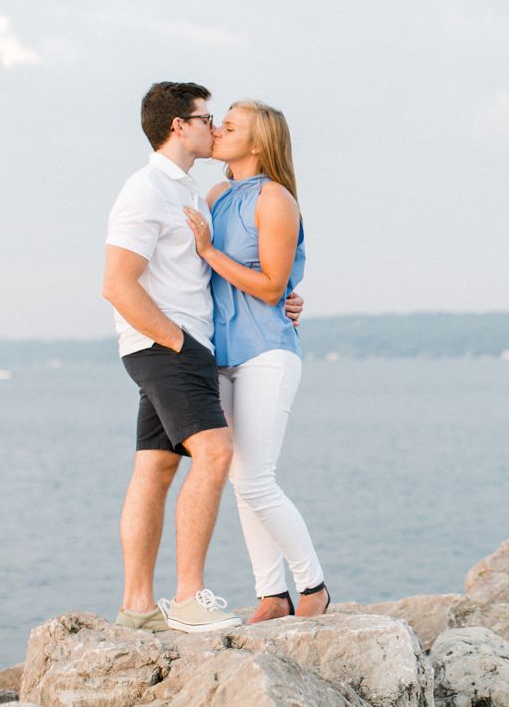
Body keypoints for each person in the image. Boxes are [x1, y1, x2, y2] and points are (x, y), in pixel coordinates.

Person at [102, 82, 304, 633]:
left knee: (156, 467)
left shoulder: (193, 193)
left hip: (189, 345)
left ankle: (138, 608)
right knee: (216, 456)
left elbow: (230, 275)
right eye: (206, 117)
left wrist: (283, 296)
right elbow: (117, 284)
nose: (213, 127)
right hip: (171, 346)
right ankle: (190, 599)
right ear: (178, 126)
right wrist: (174, 342)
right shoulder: (145, 190)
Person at [182, 99, 330, 623]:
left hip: (267, 352)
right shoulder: (218, 194)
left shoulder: (276, 199)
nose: (217, 131)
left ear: (258, 143)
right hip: (220, 358)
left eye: (229, 126)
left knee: (256, 480)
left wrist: (210, 252)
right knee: (239, 477)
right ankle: (272, 594)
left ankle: (312, 585)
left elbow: (271, 288)